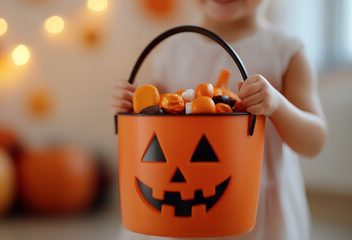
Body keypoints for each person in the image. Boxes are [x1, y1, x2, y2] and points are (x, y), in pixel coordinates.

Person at [111, 0, 328, 239]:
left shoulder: (287, 51)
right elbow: (155, 123)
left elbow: (314, 142)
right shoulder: (172, 50)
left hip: (253, 201)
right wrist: (134, 104)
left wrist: (277, 105)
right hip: (179, 205)